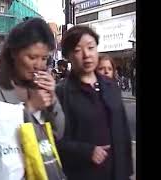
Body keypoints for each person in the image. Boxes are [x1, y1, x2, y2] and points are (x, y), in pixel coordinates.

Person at [0, 17, 65, 179]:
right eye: (32, 57)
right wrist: (31, 107)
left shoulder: (40, 85)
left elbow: (58, 133)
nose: (38, 65)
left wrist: (52, 98)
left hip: (39, 171)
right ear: (13, 52)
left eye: (44, 58)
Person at [56, 25, 133, 180]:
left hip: (117, 173)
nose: (87, 55)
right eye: (78, 50)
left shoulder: (111, 86)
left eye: (91, 47)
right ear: (68, 56)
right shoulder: (61, 92)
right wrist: (86, 151)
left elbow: (123, 132)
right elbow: (55, 140)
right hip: (83, 173)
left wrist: (128, 172)